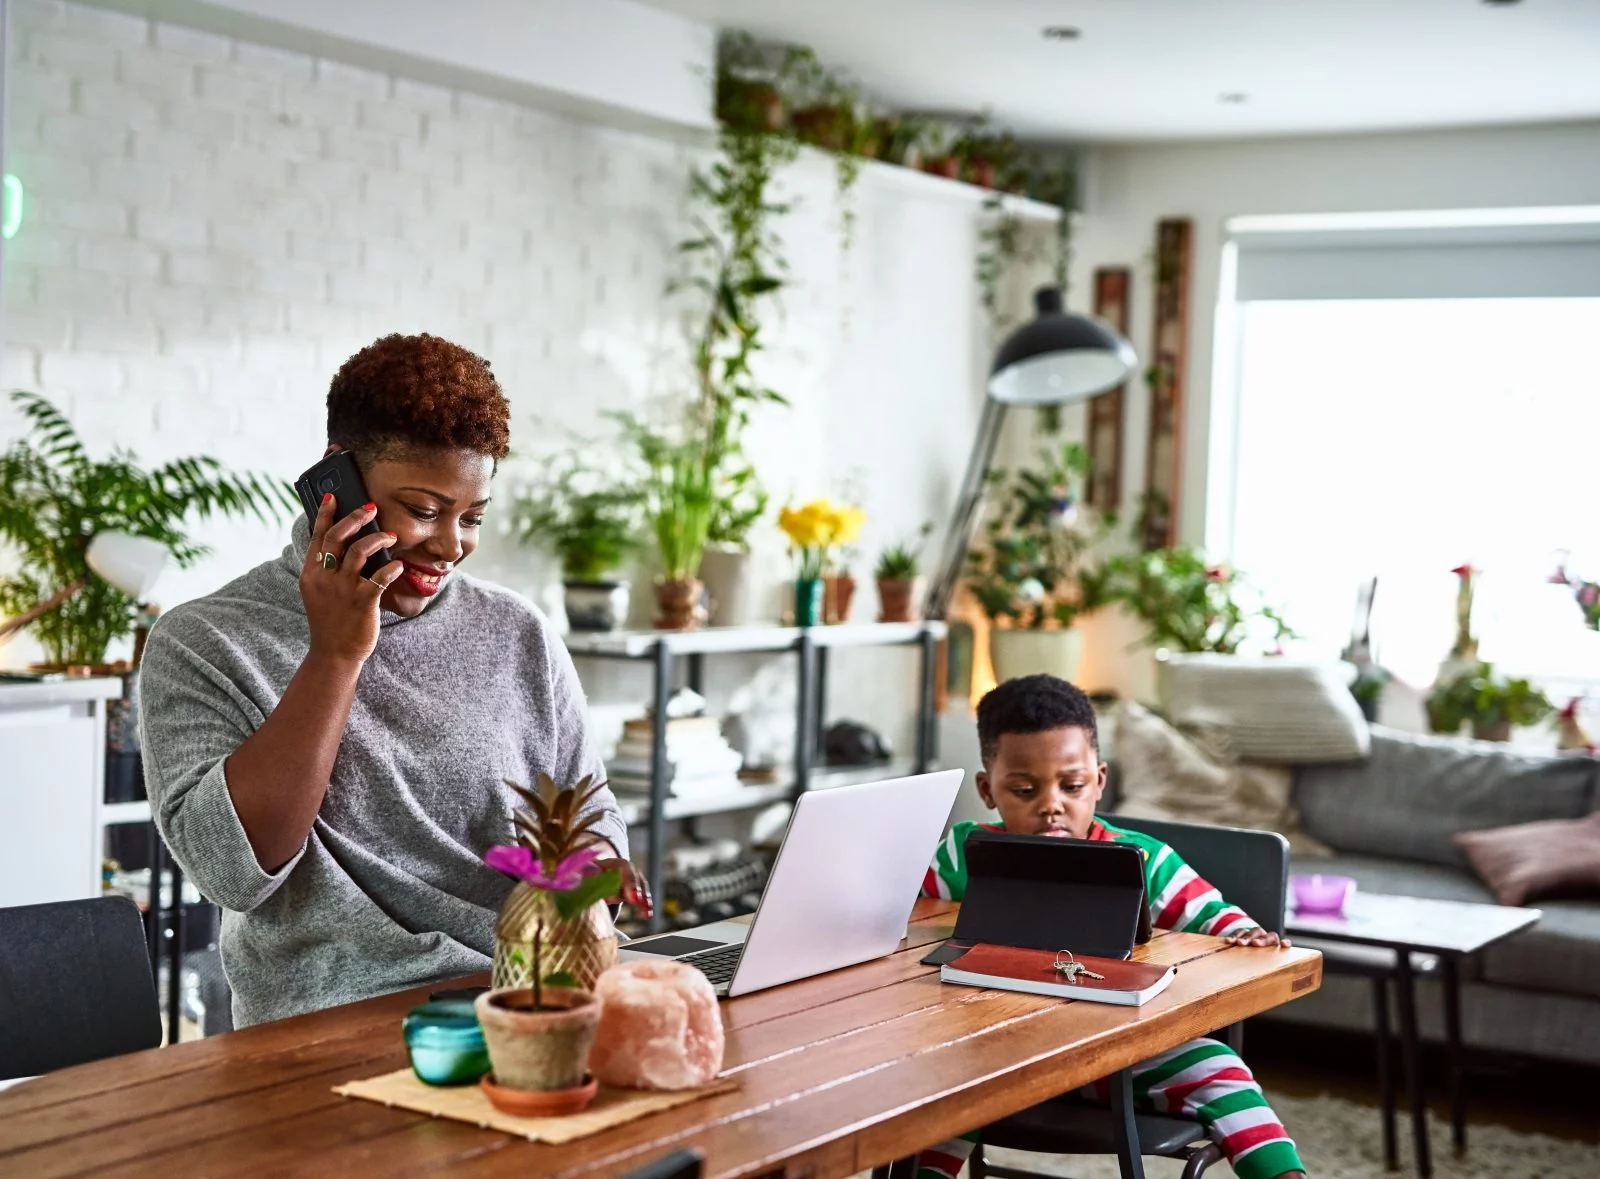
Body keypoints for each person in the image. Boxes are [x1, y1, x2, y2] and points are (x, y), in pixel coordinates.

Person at [139, 333, 646, 1027]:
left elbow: (588, 804)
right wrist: (335, 655)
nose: (450, 546)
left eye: (472, 517)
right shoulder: (205, 640)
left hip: (535, 995)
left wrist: (591, 870)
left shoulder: (516, 631)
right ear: (336, 482)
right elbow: (230, 873)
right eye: (425, 511)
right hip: (334, 1024)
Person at [915, 675, 1306, 1179]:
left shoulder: (1143, 860)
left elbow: (1221, 923)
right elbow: (905, 918)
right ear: (988, 790)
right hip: (992, 1059)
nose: (1051, 804)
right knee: (928, 1089)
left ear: (1099, 781)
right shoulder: (963, 853)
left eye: (1072, 786)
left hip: (1119, 1061)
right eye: (1024, 790)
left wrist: (1245, 935)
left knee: (1220, 1069)